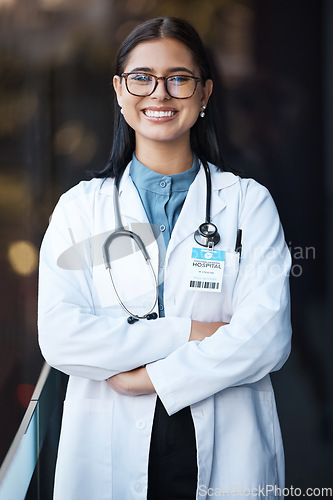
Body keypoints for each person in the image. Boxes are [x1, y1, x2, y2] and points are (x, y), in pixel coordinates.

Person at [38, 17, 292, 500]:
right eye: (142, 77)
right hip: (106, 444)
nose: (160, 93)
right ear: (119, 90)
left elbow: (268, 336)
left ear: (204, 93)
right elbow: (61, 337)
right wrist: (187, 332)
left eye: (179, 78)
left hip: (225, 440)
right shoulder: (80, 209)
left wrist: (149, 378)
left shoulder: (246, 204)